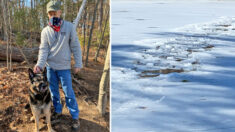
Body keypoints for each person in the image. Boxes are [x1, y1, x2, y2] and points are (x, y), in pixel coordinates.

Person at [33, 0, 82, 131]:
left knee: (68, 92)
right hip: (50, 67)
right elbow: (43, 50)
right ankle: (58, 111)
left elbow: (75, 46)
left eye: (56, 12)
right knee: (54, 92)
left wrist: (78, 63)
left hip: (64, 67)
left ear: (60, 12)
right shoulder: (45, 31)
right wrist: (39, 64)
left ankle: (75, 117)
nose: (53, 15)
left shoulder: (69, 27)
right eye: (51, 13)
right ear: (48, 14)